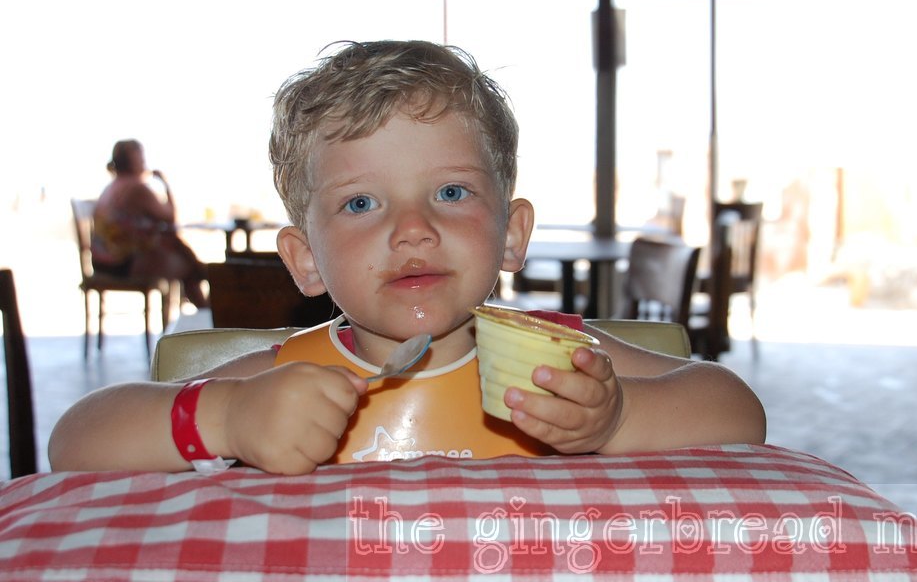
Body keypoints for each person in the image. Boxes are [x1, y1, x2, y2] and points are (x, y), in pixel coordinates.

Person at [49, 41, 765, 474]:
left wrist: (614, 418)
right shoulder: (288, 377)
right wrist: (229, 418)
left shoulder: (559, 364)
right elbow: (74, 441)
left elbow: (738, 411)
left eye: (451, 192)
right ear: (306, 259)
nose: (413, 229)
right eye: (362, 203)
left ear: (511, 233)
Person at [91, 139, 209, 309]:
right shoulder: (137, 189)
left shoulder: (111, 187)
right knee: (188, 267)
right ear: (133, 161)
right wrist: (165, 184)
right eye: (141, 158)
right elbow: (170, 216)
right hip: (122, 265)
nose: (144, 163)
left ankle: (205, 306)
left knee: (178, 252)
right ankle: (209, 310)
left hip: (101, 264)